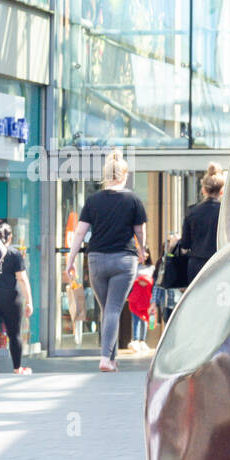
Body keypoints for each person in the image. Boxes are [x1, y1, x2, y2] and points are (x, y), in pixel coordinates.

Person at [65, 150, 148, 372]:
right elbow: (140, 232)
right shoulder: (133, 200)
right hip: (123, 260)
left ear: (106, 175)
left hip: (96, 260)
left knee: (107, 309)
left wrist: (71, 260)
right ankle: (104, 359)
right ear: (124, 175)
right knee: (113, 309)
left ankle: (111, 359)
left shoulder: (93, 201)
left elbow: (80, 233)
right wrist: (142, 251)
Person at [0, 222, 33, 375]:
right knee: (14, 333)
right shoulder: (14, 253)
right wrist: (29, 301)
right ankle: (17, 368)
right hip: (10, 297)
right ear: (10, 237)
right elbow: (21, 278)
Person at [178, 163, 225, 284]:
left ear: (203, 190)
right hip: (220, 262)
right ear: (222, 191)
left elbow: (185, 246)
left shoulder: (192, 211)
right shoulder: (225, 212)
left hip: (197, 264)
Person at [127, 252, 153, 353]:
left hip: (147, 298)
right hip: (136, 297)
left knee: (145, 320)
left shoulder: (152, 267)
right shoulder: (134, 266)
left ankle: (143, 340)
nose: (143, 255)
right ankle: (135, 339)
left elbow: (153, 281)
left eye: (145, 252)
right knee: (135, 320)